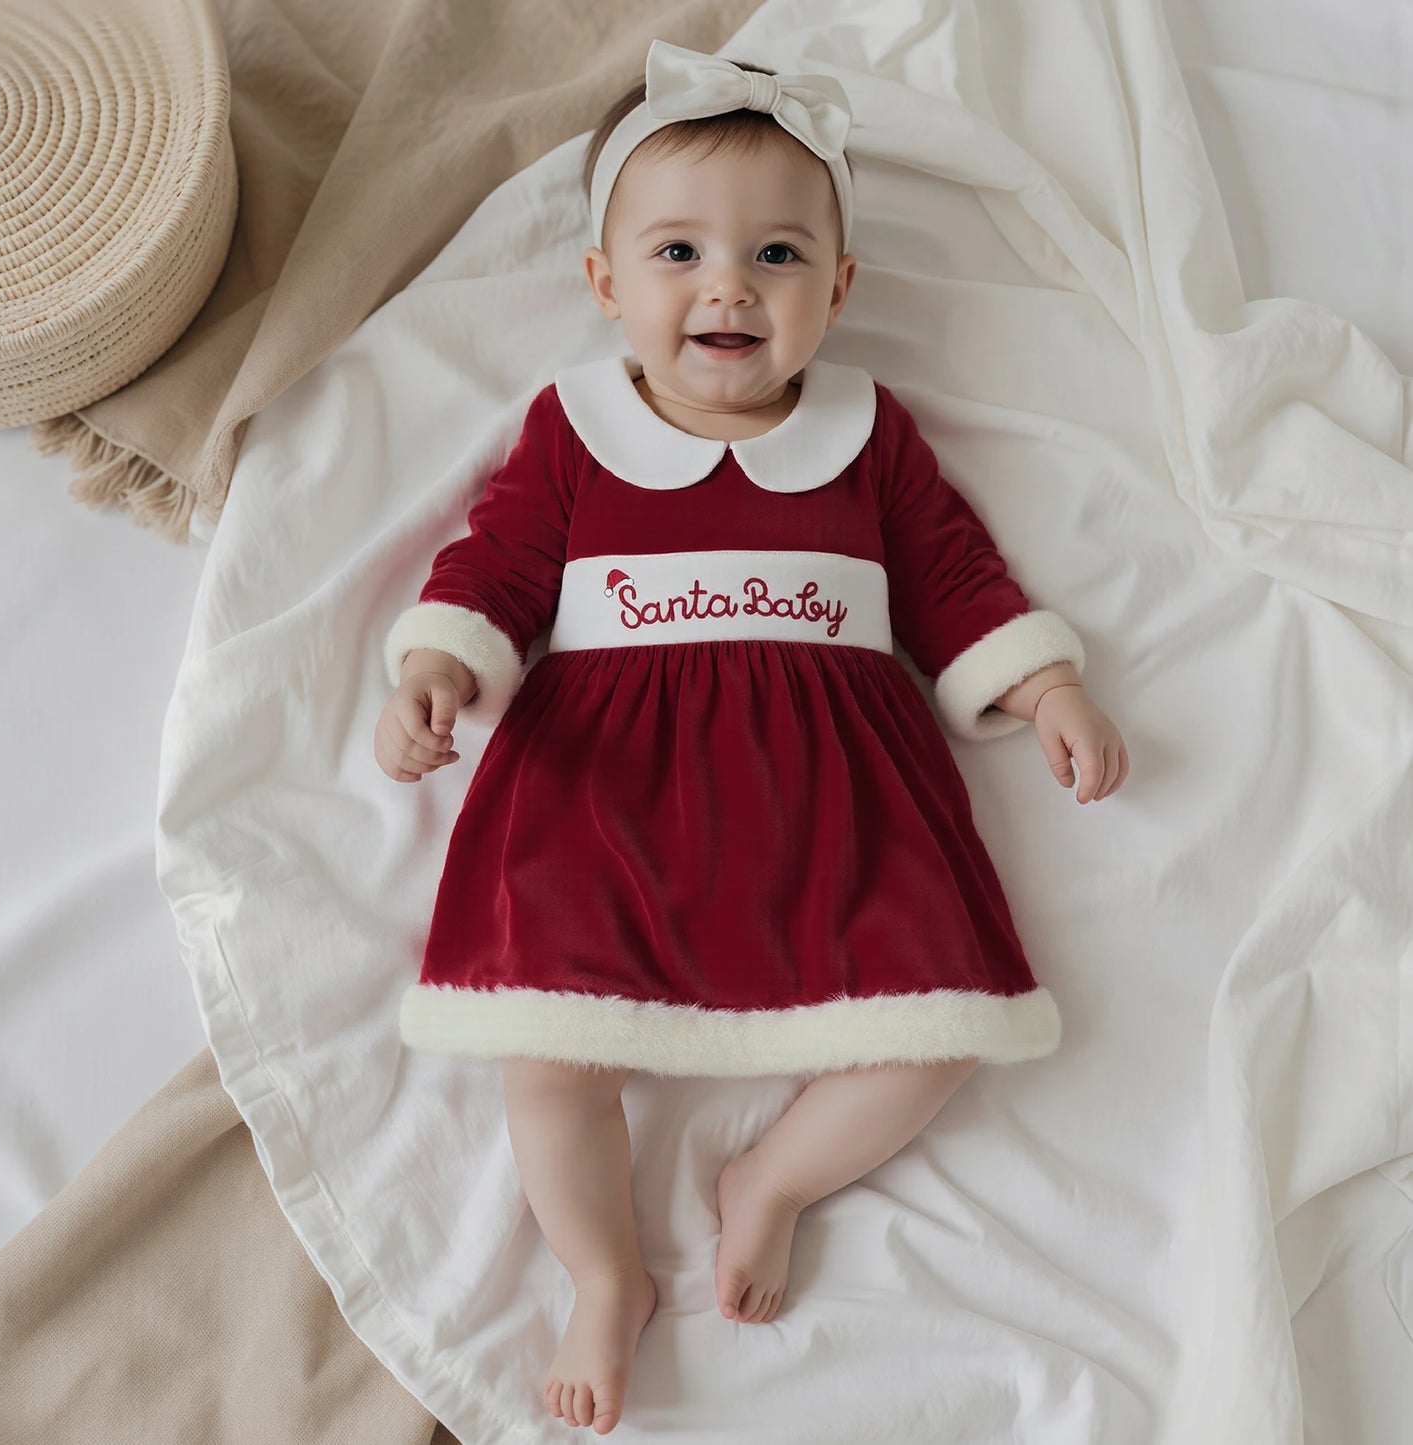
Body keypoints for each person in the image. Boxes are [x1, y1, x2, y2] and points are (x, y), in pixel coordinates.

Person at [373, 39, 1129, 1437]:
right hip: (603, 785)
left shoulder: (864, 430)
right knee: (544, 1055)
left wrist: (1043, 689)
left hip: (836, 795)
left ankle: (770, 1179)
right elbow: (497, 564)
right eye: (676, 251)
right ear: (606, 287)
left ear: (836, 291)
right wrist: (435, 663)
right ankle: (605, 1273)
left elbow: (955, 573)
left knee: (943, 1028)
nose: (727, 284)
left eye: (777, 254)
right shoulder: (578, 428)